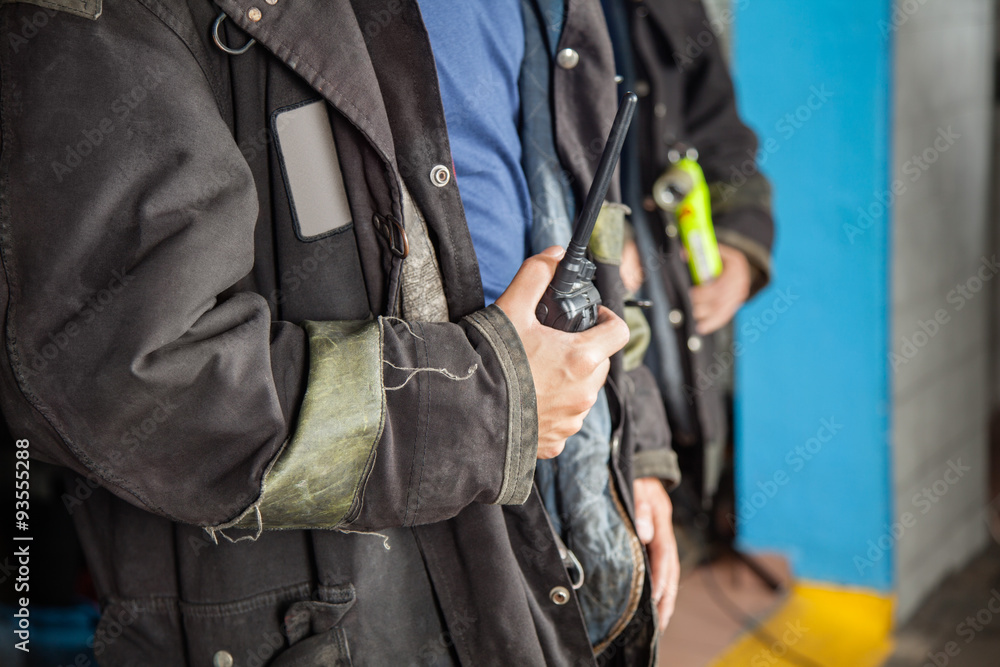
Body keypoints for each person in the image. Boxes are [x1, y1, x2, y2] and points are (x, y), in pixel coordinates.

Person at [0, 0, 674, 664]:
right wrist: (493, 406)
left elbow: (578, 214)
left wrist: (630, 447)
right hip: (351, 613)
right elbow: (120, 376)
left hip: (568, 539)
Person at [604, 0, 776, 507]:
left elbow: (724, 144)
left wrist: (740, 252)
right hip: (586, 379)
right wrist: (604, 248)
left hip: (678, 361)